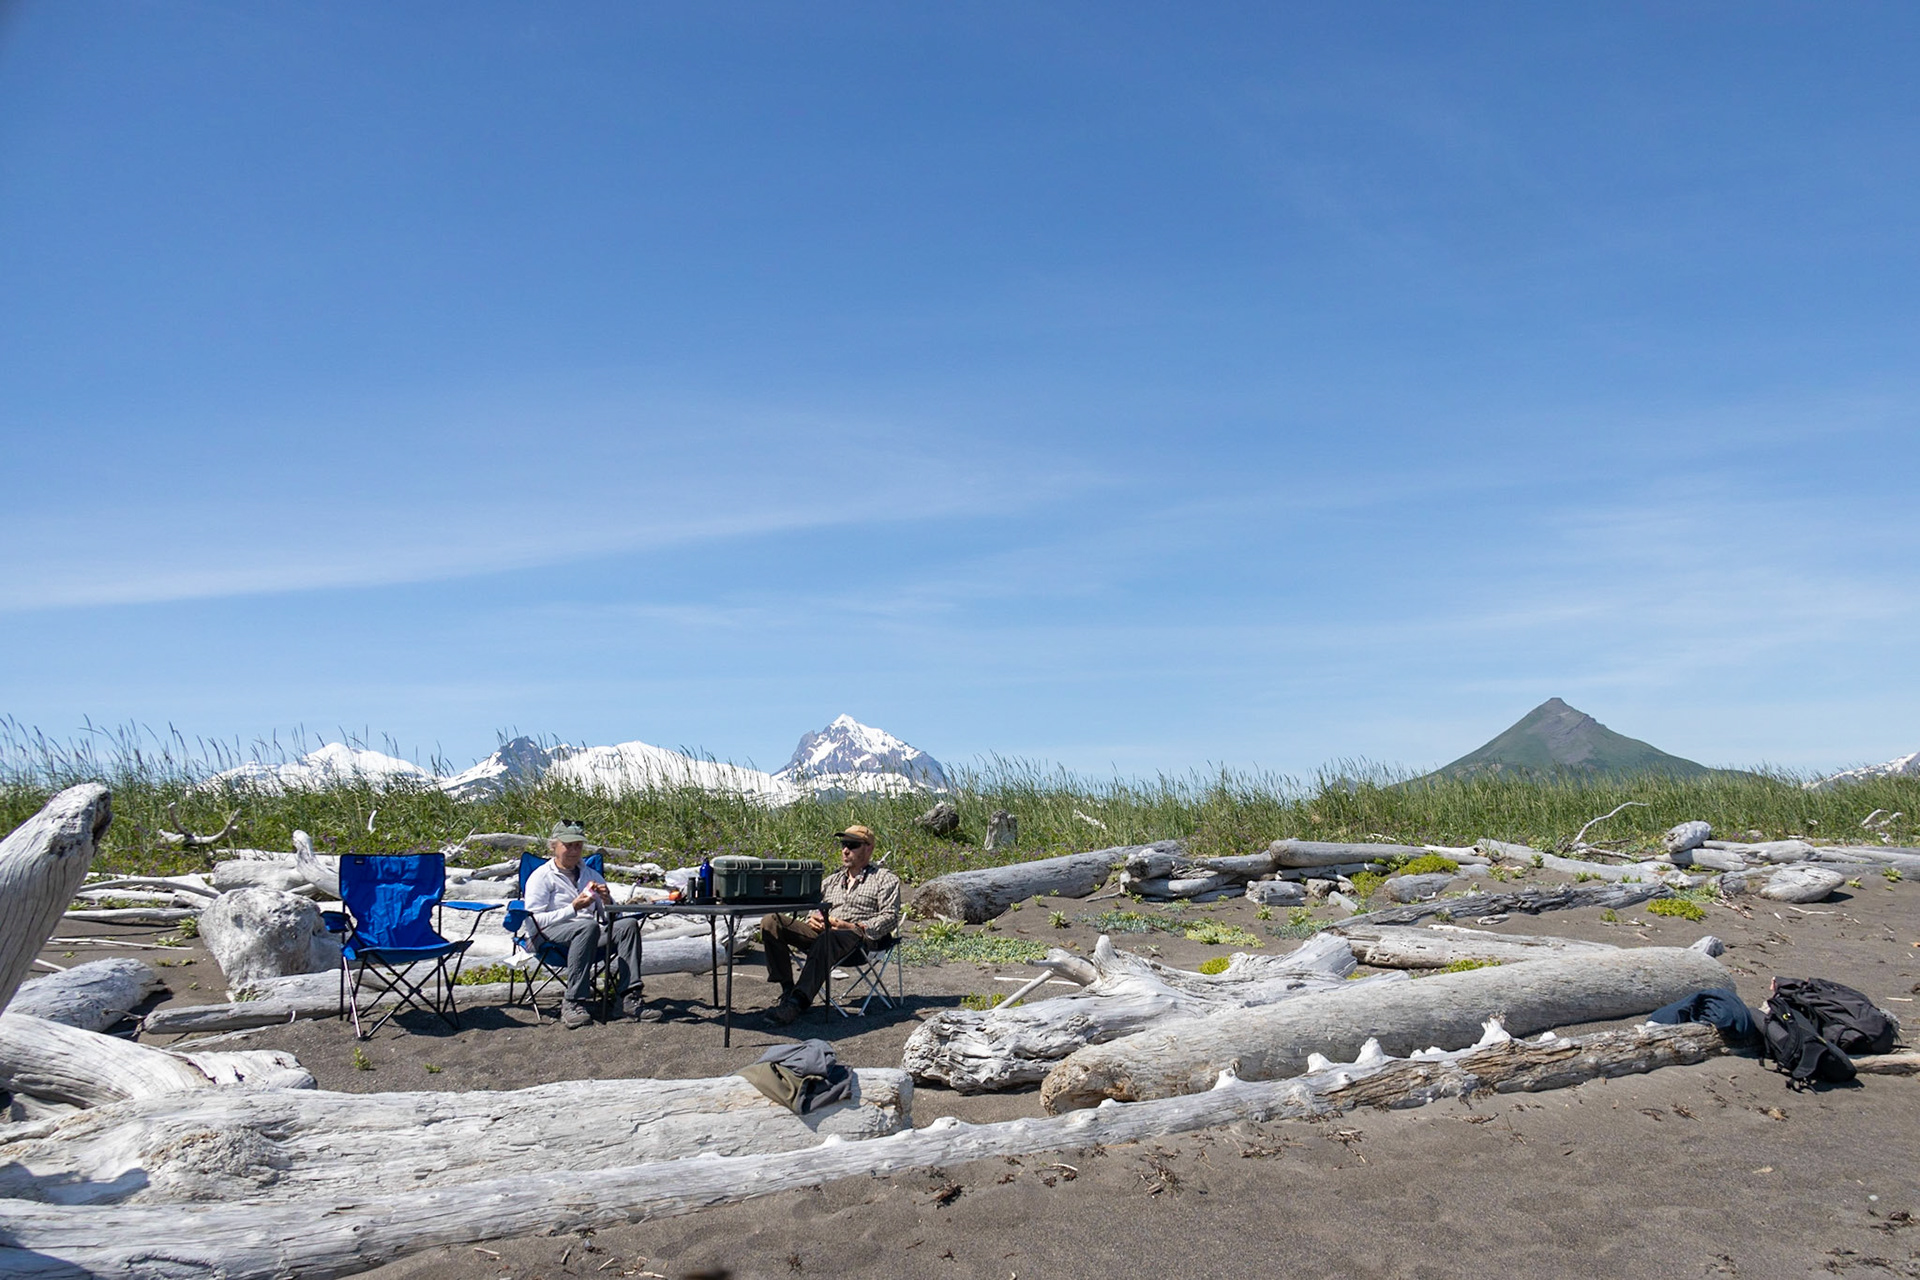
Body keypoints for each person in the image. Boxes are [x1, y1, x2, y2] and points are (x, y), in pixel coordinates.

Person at [761, 824, 902, 1026]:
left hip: (858, 942)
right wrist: (814, 918)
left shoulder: (885, 880)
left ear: (869, 848)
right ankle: (787, 989)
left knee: (830, 938)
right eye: (844, 844)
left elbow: (889, 917)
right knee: (771, 921)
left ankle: (797, 1002)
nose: (845, 850)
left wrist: (852, 926)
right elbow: (814, 907)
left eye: (852, 845)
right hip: (823, 936)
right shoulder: (831, 880)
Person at [523, 819, 646, 1029]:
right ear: (554, 846)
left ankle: (628, 997)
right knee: (587, 926)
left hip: (588, 935)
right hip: (549, 936)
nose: (574, 851)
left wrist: (608, 902)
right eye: (568, 845)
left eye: (578, 846)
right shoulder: (541, 877)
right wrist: (573, 908)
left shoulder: (590, 874)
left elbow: (609, 920)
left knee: (628, 926)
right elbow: (533, 921)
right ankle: (573, 1002)